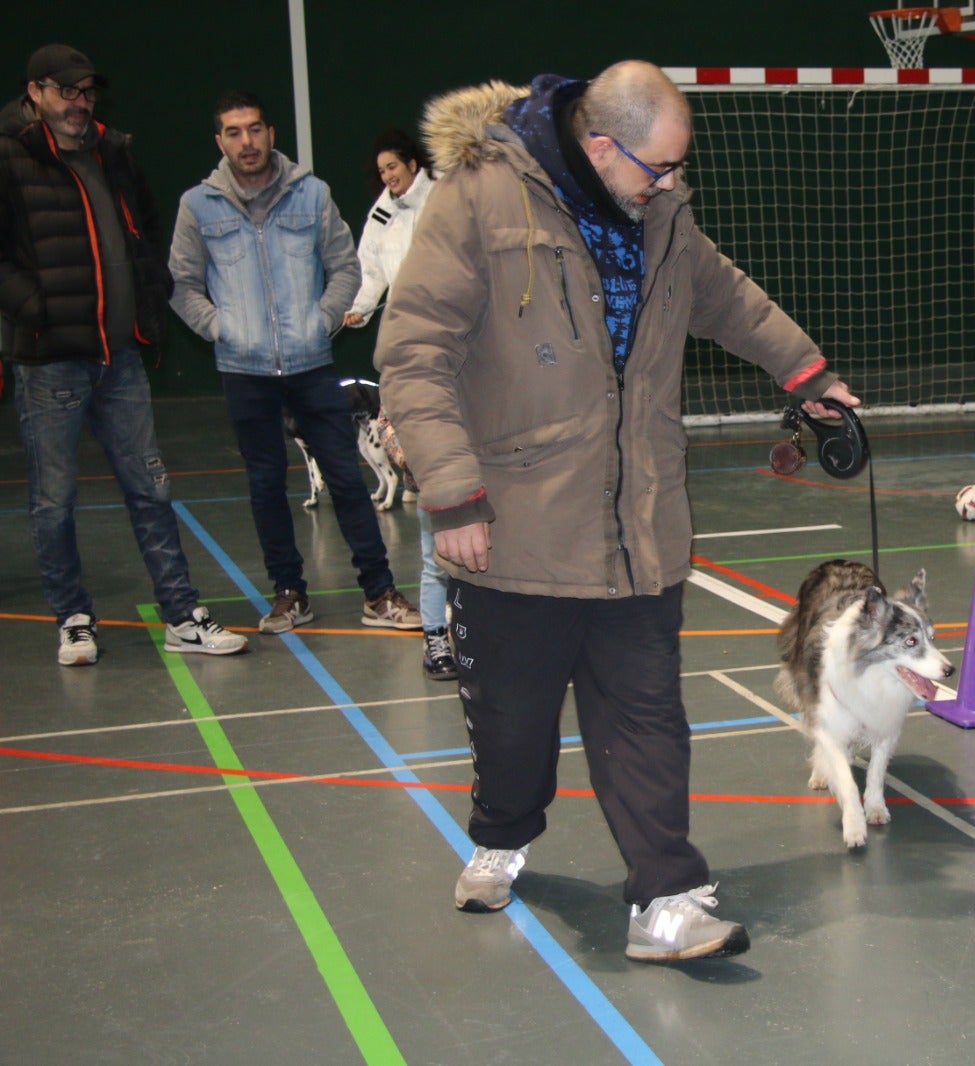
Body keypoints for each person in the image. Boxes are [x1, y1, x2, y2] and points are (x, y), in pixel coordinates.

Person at [375, 60, 859, 962]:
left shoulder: (662, 216)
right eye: (658, 167)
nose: (672, 184)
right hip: (514, 526)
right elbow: (412, 355)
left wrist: (810, 375)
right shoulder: (478, 198)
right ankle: (501, 833)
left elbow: (729, 299)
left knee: (647, 719)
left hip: (640, 526)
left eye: (678, 169)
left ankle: (666, 900)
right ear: (600, 146)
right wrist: (452, 494)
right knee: (515, 731)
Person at [0, 44, 247, 665]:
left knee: (152, 489)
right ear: (36, 92)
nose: (80, 104)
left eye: (87, 93)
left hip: (121, 357)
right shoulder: (9, 157)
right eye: (67, 92)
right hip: (49, 359)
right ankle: (74, 618)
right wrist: (34, 307)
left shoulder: (115, 153)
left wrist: (146, 301)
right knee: (53, 500)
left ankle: (181, 613)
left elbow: (145, 227)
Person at [169, 91, 421, 634]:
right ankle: (289, 594)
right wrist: (221, 329)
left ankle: (379, 593)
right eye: (234, 132)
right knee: (265, 486)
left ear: (271, 133)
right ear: (220, 142)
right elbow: (182, 285)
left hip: (310, 366)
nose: (247, 141)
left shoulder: (312, 195)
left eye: (255, 129)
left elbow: (345, 270)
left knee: (348, 481)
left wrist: (320, 321)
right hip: (243, 372)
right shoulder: (199, 206)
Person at [341, 128, 452, 679]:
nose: (387, 177)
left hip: (458, 359)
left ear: (413, 162)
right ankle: (437, 636)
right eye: (380, 169)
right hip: (411, 366)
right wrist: (360, 308)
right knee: (438, 525)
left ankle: (476, 632)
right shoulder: (382, 214)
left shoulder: (446, 198)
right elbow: (370, 270)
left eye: (393, 166)